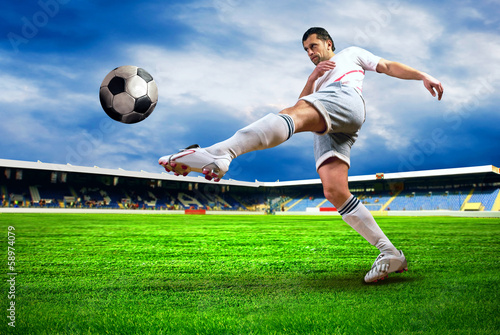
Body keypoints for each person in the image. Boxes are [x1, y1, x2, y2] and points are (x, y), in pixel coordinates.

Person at [159, 27, 444, 283]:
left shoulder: (351, 54)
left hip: (344, 99)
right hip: (329, 127)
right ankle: (390, 253)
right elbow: (300, 103)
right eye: (306, 50)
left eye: (313, 46)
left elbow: (385, 65)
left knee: (288, 116)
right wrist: (313, 77)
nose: (310, 53)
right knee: (334, 190)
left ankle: (222, 153)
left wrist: (422, 75)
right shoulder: (316, 80)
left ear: (328, 43)